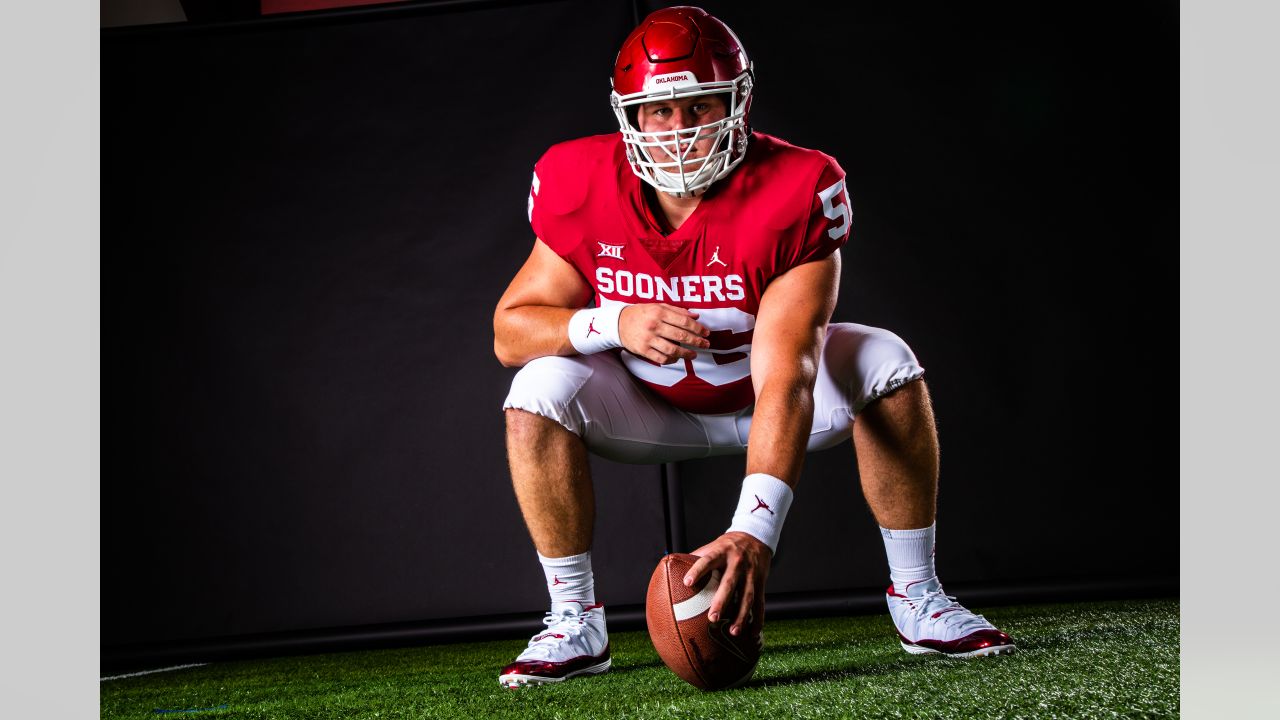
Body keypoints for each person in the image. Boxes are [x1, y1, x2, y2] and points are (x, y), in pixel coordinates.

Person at [491, 5, 1014, 688]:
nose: (679, 132)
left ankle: (918, 595)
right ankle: (573, 619)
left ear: (736, 103)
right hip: (646, 404)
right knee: (535, 389)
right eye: (659, 112)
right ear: (629, 115)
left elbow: (789, 372)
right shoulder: (579, 179)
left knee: (885, 358)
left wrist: (754, 529)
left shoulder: (799, 185)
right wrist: (612, 323)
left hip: (769, 397)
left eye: (698, 105)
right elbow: (511, 328)